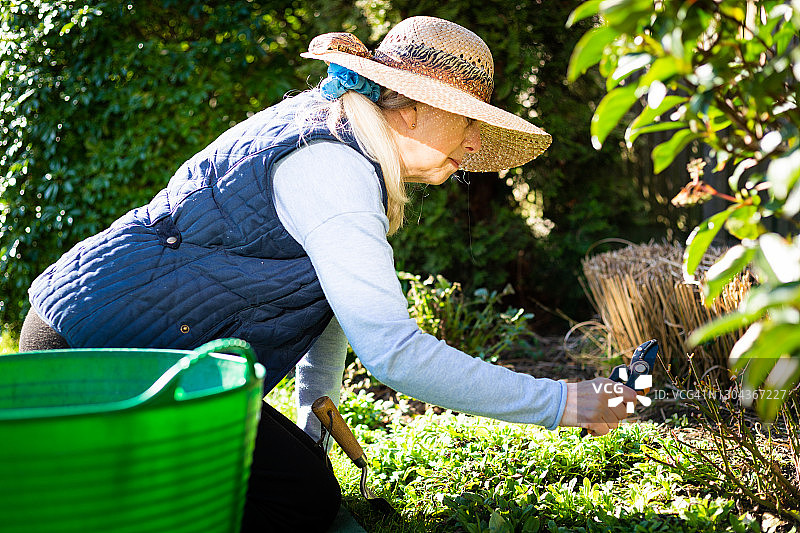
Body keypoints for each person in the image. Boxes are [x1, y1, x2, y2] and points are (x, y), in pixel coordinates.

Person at [22, 16, 637, 532]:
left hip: (118, 336)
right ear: (415, 111)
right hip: (100, 352)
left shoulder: (341, 135)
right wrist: (571, 403)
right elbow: (394, 353)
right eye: (468, 120)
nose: (475, 144)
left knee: (300, 484)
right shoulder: (333, 168)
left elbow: (332, 306)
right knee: (295, 501)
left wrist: (316, 412)